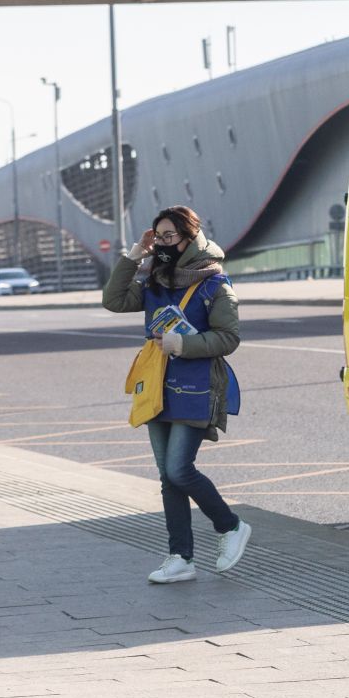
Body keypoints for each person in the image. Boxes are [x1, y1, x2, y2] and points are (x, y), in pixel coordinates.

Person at [102, 205, 252, 584]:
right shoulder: (156, 279)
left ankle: (231, 526)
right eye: (159, 238)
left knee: (178, 469)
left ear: (190, 239)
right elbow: (113, 300)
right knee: (168, 478)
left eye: (170, 238)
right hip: (157, 384)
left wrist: (181, 343)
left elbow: (229, 337)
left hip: (197, 384)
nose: (163, 245)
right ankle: (181, 558)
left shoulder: (215, 284)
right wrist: (135, 255)